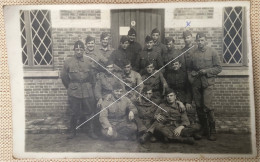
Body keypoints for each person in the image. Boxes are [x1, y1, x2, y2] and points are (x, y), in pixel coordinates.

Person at [61, 40, 98, 139]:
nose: (78, 51)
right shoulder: (68, 62)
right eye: (76, 49)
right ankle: (73, 132)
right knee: (74, 112)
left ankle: (91, 131)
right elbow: (64, 77)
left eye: (81, 49)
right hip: (74, 91)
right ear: (74, 50)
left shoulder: (88, 61)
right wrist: (70, 86)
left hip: (87, 90)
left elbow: (92, 77)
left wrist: (90, 87)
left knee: (89, 112)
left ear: (83, 50)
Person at [189, 32, 222, 141]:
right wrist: (191, 77)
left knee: (207, 106)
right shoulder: (193, 53)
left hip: (207, 83)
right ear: (196, 41)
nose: (200, 42)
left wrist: (206, 71)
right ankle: (203, 128)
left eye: (202, 40)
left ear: (206, 40)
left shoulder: (212, 52)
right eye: (198, 40)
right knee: (198, 106)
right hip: (197, 83)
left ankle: (212, 130)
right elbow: (190, 68)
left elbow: (218, 68)